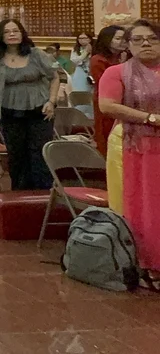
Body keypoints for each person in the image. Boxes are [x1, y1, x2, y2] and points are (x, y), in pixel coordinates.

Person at [96, 19, 160, 289]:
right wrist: (150, 118)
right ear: (128, 46)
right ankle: (146, 264)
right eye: (138, 39)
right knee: (141, 204)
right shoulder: (117, 73)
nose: (146, 44)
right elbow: (107, 106)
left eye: (152, 39)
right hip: (133, 145)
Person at [0, 19, 59, 191]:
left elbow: (55, 77)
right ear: (0, 37)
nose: (12, 34)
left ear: (22, 34)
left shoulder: (36, 54)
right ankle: (20, 193)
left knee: (39, 152)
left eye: (16, 31)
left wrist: (52, 101)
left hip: (40, 109)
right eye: (7, 32)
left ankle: (42, 193)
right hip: (9, 110)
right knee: (16, 153)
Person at [90, 25, 130, 155]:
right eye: (118, 38)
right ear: (107, 40)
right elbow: (107, 84)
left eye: (124, 38)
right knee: (108, 135)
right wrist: (121, 65)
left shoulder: (126, 56)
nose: (123, 41)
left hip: (127, 102)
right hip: (107, 102)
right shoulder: (98, 60)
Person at [70, 31, 94, 110]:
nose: (81, 40)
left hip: (91, 71)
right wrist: (85, 53)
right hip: (80, 72)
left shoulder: (95, 48)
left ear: (90, 39)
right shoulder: (75, 49)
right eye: (80, 38)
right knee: (80, 91)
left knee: (91, 92)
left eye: (84, 38)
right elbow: (74, 60)